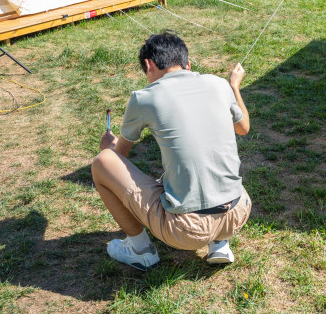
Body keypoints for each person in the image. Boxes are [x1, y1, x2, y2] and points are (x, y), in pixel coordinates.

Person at [91, 31, 252, 270]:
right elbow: (243, 128)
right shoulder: (218, 84)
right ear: (187, 64)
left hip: (188, 230)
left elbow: (118, 155)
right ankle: (219, 243)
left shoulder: (144, 97)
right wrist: (233, 87)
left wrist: (108, 147)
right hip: (239, 212)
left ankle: (140, 249)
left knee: (103, 161)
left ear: (148, 65)